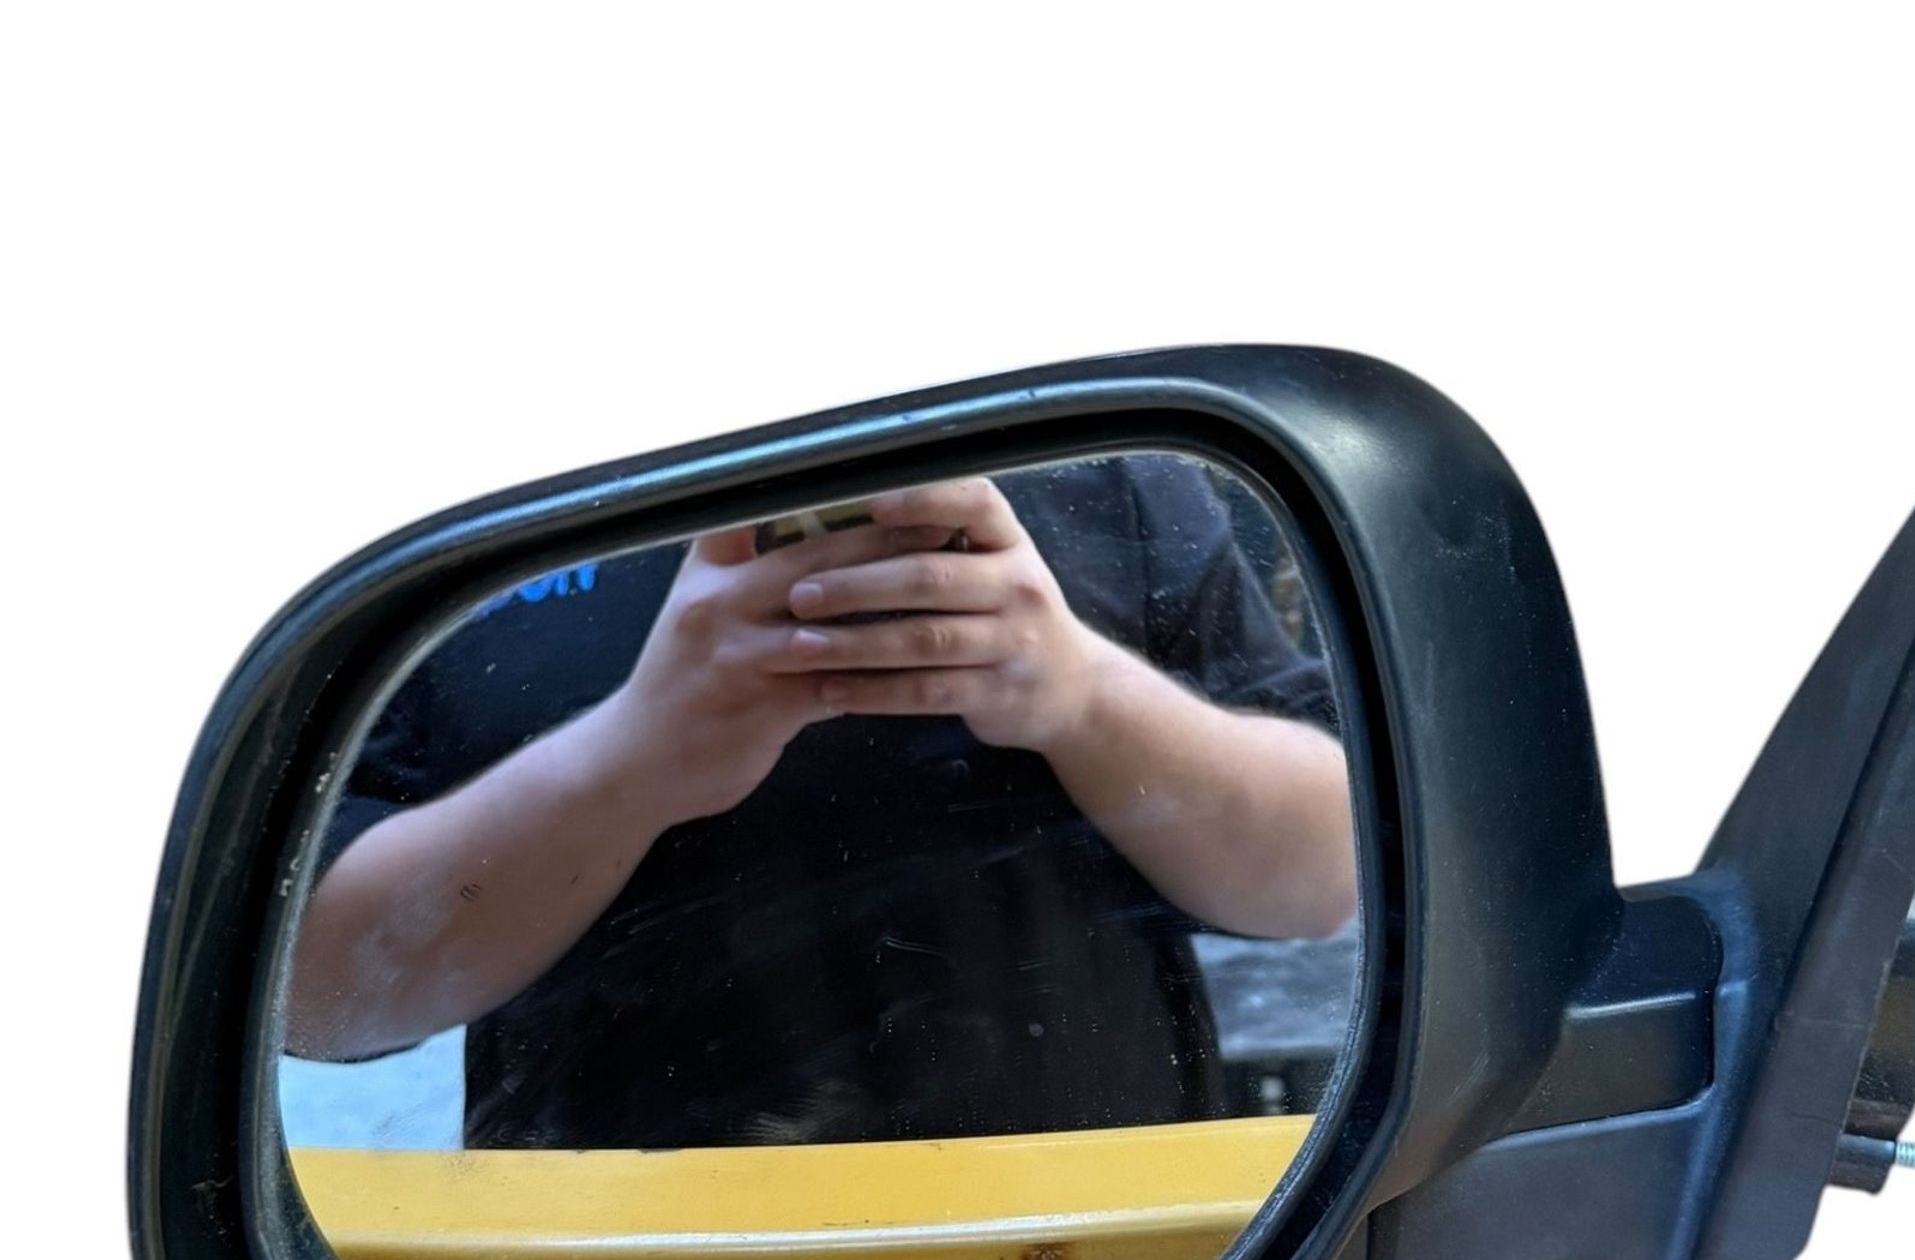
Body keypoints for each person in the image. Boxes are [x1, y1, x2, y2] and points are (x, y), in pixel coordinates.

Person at [287, 456, 1357, 1149]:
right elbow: (310, 995)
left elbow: (1326, 874)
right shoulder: (465, 497)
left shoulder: (1108, 459)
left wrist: (1084, 695)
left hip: (1091, 1255)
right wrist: (633, 757)